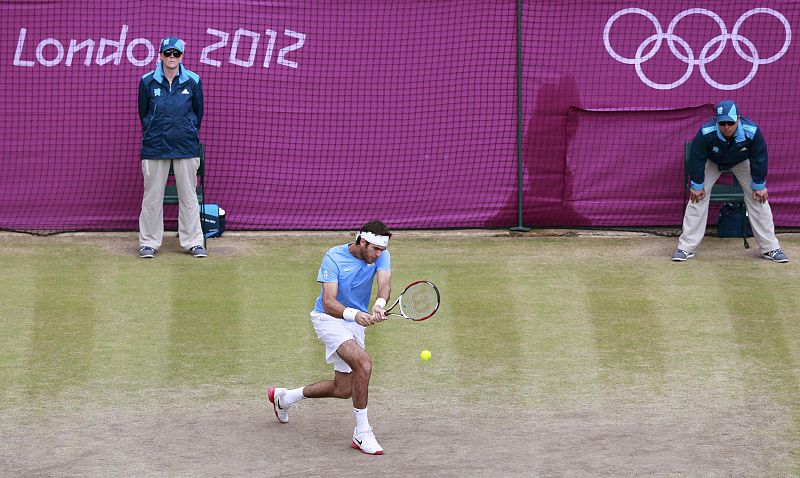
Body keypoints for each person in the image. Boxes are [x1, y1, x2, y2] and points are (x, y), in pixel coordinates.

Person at [268, 220, 393, 455]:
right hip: (328, 319)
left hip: (354, 323)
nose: (378, 255)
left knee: (344, 389)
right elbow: (328, 303)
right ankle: (362, 433)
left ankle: (285, 398)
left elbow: (384, 283)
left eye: (382, 250)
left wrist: (378, 304)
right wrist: (356, 314)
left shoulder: (380, 255)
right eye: (375, 249)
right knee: (363, 365)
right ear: (362, 241)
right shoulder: (333, 257)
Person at [672, 100, 788, 263]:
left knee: (759, 198)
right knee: (697, 198)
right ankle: (685, 248)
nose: (727, 127)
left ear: (738, 119)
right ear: (717, 121)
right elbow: (697, 159)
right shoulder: (706, 132)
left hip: (741, 162)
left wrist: (759, 185)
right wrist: (697, 185)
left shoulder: (752, 131)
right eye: (723, 123)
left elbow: (759, 158)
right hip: (712, 162)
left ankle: (770, 248)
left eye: (731, 122)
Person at [137, 36, 207, 259]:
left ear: (182, 56)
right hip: (154, 147)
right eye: (167, 53)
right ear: (160, 56)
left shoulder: (193, 81)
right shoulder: (147, 81)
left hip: (186, 147)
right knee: (152, 197)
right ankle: (148, 243)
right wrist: (153, 130)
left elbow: (198, 113)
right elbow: (143, 113)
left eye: (176, 54)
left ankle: (194, 242)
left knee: (189, 196)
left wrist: (186, 130)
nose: (171, 57)